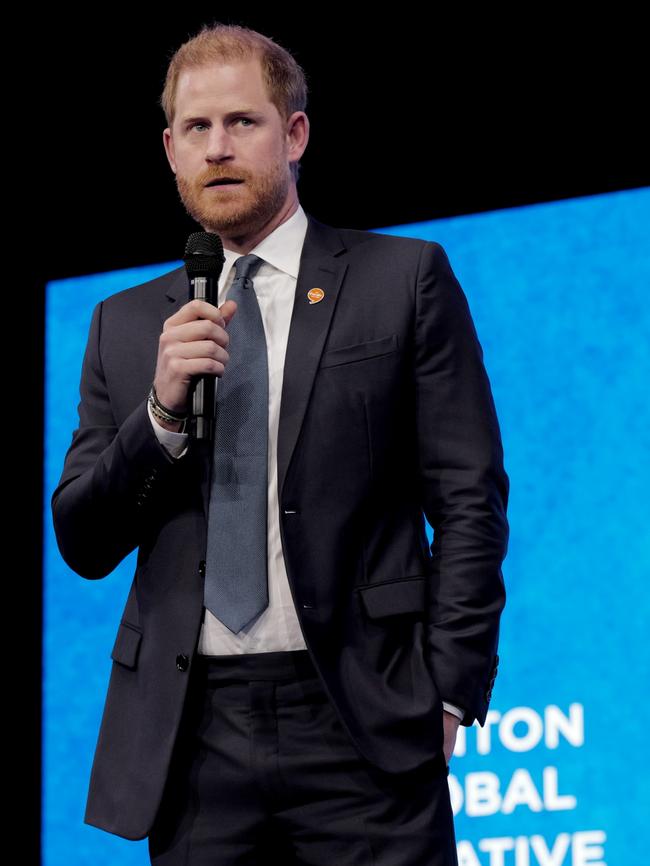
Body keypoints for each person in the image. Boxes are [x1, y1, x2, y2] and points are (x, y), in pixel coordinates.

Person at [51, 22, 509, 866]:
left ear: (294, 134)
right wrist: (158, 412)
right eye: (197, 129)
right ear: (170, 150)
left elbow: (470, 501)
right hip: (193, 737)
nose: (218, 148)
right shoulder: (123, 326)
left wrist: (448, 689)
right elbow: (81, 536)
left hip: (362, 717)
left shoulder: (403, 280)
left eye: (242, 122)